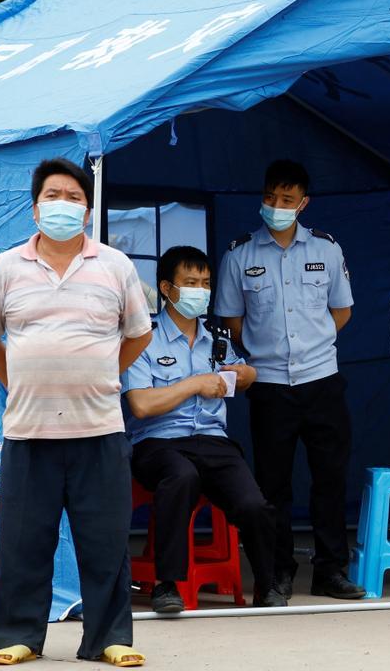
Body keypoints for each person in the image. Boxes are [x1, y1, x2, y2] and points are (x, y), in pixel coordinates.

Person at [0, 158, 151, 667]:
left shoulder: (115, 266)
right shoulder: (7, 266)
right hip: (28, 430)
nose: (63, 206)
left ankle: (109, 638)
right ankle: (18, 636)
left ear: (89, 212)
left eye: (74, 198)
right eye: (54, 196)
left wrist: (100, 374)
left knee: (105, 541)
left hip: (99, 427)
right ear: (34, 209)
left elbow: (139, 333)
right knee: (23, 542)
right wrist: (19, 380)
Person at [214, 160, 364, 600]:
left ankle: (330, 570)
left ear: (303, 203)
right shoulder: (239, 254)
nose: (277, 207)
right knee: (273, 484)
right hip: (270, 385)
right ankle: (278, 570)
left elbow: (342, 310)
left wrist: (311, 343)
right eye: (270, 198)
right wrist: (271, 350)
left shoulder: (327, 249)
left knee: (330, 479)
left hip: (322, 380)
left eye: (286, 200)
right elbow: (231, 321)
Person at [123, 246, 285, 612]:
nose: (201, 290)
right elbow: (141, 405)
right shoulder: (142, 338)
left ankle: (266, 584)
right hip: (159, 444)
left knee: (254, 504)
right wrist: (194, 384)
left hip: (213, 442)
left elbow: (244, 376)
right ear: (166, 288)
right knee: (181, 477)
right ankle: (167, 585)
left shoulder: (217, 336)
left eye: (206, 283)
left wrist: (246, 374)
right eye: (191, 283)